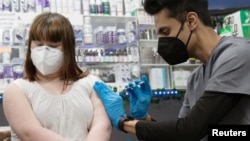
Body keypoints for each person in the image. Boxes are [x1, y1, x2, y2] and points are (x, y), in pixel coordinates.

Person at [93, 0, 250, 141]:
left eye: (165, 32)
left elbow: (189, 130)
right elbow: (179, 135)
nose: (161, 42)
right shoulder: (195, 79)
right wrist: (143, 118)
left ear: (191, 21)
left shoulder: (237, 55)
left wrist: (123, 123)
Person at [3, 12, 111, 141]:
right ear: (30, 46)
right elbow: (31, 133)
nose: (44, 52)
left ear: (68, 49)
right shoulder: (16, 90)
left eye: (53, 46)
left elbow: (102, 126)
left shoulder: (91, 83)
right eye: (39, 44)